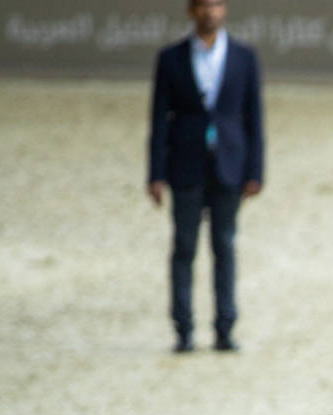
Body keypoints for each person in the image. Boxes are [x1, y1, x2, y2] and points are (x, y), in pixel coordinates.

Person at [147, 0, 263, 353]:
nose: (210, 11)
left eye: (215, 4)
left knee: (224, 246)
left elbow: (253, 119)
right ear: (191, 10)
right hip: (185, 166)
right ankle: (183, 330)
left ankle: (224, 329)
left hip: (229, 165)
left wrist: (255, 170)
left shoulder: (244, 57)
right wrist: (155, 173)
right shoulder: (171, 58)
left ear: (224, 9)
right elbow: (158, 121)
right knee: (184, 248)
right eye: (203, 5)